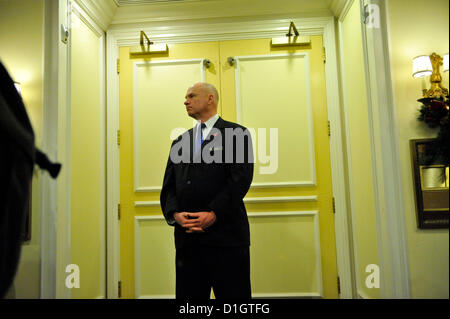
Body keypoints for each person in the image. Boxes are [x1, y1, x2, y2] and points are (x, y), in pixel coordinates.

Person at [160, 82, 254, 300]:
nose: (186, 100)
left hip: (227, 238)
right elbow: (169, 187)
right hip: (188, 241)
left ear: (210, 98)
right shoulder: (179, 142)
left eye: (191, 96)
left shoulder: (237, 134)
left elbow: (240, 180)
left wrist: (214, 213)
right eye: (186, 97)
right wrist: (175, 215)